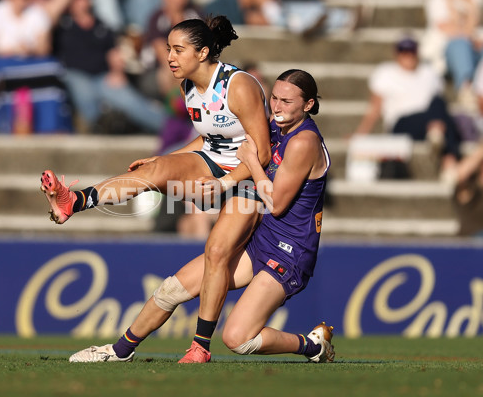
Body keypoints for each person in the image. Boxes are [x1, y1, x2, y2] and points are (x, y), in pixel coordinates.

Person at [40, 16, 272, 361]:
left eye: (178, 50)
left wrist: (225, 182)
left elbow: (264, 152)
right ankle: (74, 201)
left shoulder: (239, 85)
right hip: (214, 161)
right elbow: (209, 139)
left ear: (204, 51)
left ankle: (199, 347)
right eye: (168, 49)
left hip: (251, 176)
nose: (170, 57)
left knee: (217, 252)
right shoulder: (188, 86)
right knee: (157, 168)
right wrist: (163, 159)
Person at [67, 69, 334, 364]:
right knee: (173, 288)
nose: (277, 107)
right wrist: (166, 160)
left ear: (308, 105)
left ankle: (312, 346)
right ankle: (119, 351)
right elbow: (213, 142)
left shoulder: (302, 142)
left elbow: (277, 204)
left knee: (237, 339)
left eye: (287, 101)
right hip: (260, 238)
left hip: (289, 252)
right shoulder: (274, 126)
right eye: (274, 98)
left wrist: (249, 163)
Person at [52, 0, 168, 134]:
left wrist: (117, 72)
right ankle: (98, 130)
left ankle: (169, 126)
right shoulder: (63, 25)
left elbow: (114, 52)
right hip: (75, 75)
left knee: (129, 100)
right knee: (84, 94)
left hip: (103, 76)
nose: (81, 2)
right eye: (76, 0)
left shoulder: (101, 26)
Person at [354, 36, 462, 180]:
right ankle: (449, 161)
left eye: (411, 50)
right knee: (441, 116)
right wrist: (361, 134)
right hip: (401, 122)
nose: (408, 55)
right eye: (404, 51)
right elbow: (375, 107)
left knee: (439, 104)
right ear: (396, 53)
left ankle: (436, 136)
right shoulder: (385, 73)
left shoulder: (429, 73)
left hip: (430, 119)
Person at [0, 0, 73, 134]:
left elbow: (44, 47)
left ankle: (51, 125)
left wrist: (30, 49)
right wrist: (11, 50)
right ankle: (5, 123)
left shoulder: (37, 13)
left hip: (32, 60)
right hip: (4, 63)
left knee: (52, 70)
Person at [421, 0, 483, 111]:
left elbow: (475, 23)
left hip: (474, 47)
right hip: (448, 53)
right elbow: (445, 27)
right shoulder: (437, 1)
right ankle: (466, 90)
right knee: (460, 44)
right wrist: (470, 36)